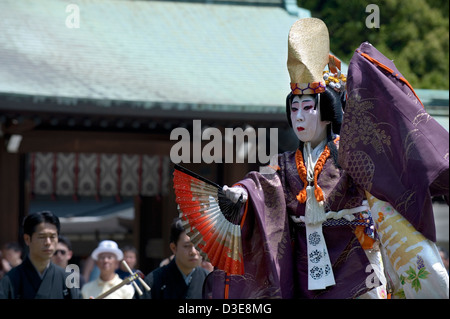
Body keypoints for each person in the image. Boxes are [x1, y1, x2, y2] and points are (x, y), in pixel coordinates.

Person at [181, 18, 449, 299]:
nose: (298, 116)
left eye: (307, 107)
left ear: (325, 111)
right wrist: (240, 193)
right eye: (294, 109)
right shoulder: (285, 163)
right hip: (305, 265)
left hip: (354, 260)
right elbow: (262, 184)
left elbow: (383, 175)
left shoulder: (349, 154)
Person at [0, 211, 81, 299]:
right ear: (27, 239)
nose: (48, 243)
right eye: (42, 237)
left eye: (52, 237)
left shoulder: (67, 278)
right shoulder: (10, 279)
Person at [142, 218, 209, 299]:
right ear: (174, 248)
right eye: (187, 246)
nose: (194, 252)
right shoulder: (153, 282)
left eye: (199, 244)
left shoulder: (210, 281)